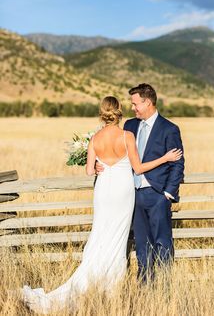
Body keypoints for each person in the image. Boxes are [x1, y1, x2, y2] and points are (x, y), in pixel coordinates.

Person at [21, 96, 182, 314]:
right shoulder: (127, 135)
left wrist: (98, 164)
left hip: (104, 191)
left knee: (101, 232)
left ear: (102, 113)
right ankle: (109, 288)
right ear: (119, 112)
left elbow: (89, 170)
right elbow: (139, 168)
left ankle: (92, 277)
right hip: (123, 193)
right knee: (118, 236)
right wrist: (165, 158)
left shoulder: (95, 138)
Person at [96, 84, 185, 281]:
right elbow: (112, 151)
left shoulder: (169, 129)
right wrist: (97, 165)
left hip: (157, 194)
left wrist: (167, 194)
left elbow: (178, 164)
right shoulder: (129, 126)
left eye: (135, 104)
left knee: (162, 241)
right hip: (132, 195)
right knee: (141, 243)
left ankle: (163, 285)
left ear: (148, 102)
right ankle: (144, 283)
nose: (132, 108)